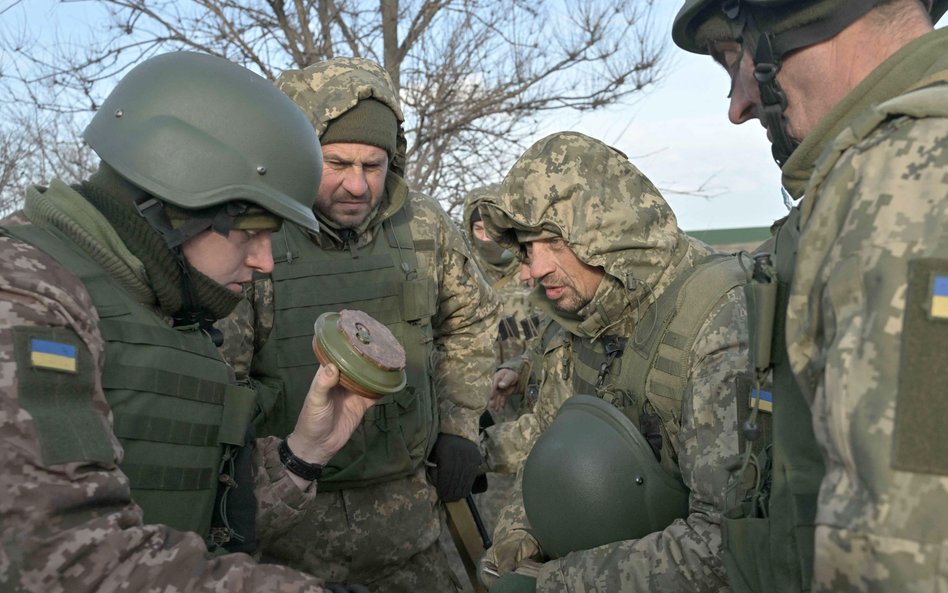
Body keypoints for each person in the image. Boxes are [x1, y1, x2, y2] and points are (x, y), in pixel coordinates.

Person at [0, 51, 378, 593]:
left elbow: (200, 522)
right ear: (169, 205)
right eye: (249, 231)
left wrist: (305, 452)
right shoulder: (26, 292)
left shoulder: (163, 306)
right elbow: (60, 559)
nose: (264, 262)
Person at [672, 1, 948, 592]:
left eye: (733, 60)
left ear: (792, 21)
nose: (738, 106)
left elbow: (905, 555)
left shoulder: (900, 182)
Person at [217, 57, 500, 592]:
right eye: (338, 163)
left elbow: (473, 318)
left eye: (373, 166)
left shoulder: (422, 225)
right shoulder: (256, 233)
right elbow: (222, 375)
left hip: (408, 522)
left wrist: (457, 426)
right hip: (289, 533)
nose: (357, 185)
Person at [478, 131, 751, 592]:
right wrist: (522, 530)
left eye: (552, 242)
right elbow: (554, 445)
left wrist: (559, 582)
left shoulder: (717, 320)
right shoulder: (582, 316)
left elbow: (726, 546)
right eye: (526, 248)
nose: (532, 269)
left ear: (607, 232)